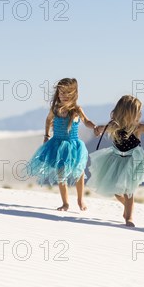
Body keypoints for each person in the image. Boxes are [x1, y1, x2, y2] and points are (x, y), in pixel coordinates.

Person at [88, 95, 144, 227]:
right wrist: (97, 130)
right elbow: (101, 128)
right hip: (116, 159)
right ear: (128, 113)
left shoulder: (139, 128)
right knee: (115, 189)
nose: (140, 114)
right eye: (138, 111)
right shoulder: (114, 126)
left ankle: (129, 217)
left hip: (132, 161)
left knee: (128, 190)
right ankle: (128, 206)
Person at [27, 78, 100, 211]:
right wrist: (46, 135)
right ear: (58, 94)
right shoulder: (55, 109)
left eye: (68, 93)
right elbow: (48, 120)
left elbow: (86, 121)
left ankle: (80, 200)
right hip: (58, 144)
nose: (64, 96)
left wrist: (94, 126)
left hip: (74, 145)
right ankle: (65, 203)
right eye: (61, 93)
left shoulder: (76, 110)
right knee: (61, 174)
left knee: (79, 172)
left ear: (74, 94)